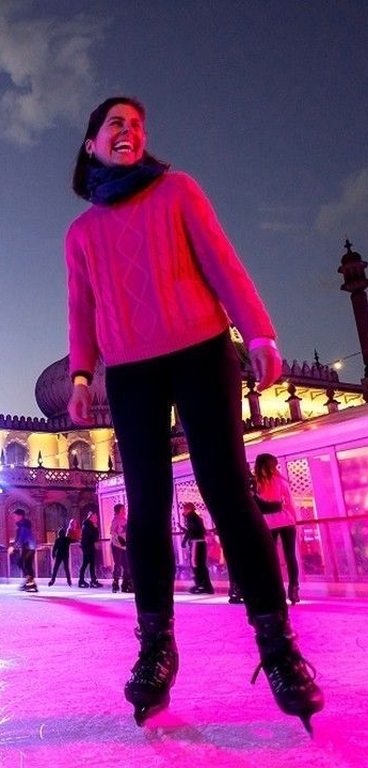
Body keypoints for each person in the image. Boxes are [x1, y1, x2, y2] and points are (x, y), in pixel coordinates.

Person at [65, 96, 322, 730]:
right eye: (115, 125)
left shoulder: (177, 190)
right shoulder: (82, 233)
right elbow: (83, 306)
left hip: (203, 352)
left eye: (137, 125)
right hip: (130, 371)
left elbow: (221, 261)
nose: (129, 132)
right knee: (147, 504)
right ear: (91, 143)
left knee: (229, 493)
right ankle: (156, 646)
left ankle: (279, 645)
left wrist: (258, 334)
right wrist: (78, 374)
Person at [254, 453, 301, 605]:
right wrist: (296, 521)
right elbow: (289, 503)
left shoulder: (255, 483)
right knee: (290, 556)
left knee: (270, 558)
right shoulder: (280, 481)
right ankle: (293, 590)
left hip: (267, 523)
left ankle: (275, 590)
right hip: (286, 520)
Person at [180, 503, 214, 594]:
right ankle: (207, 586)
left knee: (195, 564)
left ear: (188, 509)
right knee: (201, 564)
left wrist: (184, 540)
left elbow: (192, 530)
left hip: (196, 542)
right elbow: (198, 529)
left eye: (184, 509)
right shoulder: (197, 517)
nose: (183, 512)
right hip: (201, 542)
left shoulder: (190, 517)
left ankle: (200, 585)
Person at [10, 510, 37, 592]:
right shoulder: (21, 524)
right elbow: (19, 537)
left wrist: (14, 546)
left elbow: (22, 536)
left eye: (15, 516)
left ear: (20, 516)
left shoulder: (23, 524)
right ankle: (30, 583)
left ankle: (30, 583)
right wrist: (14, 544)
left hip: (29, 546)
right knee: (25, 564)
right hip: (28, 546)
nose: (14, 518)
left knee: (24, 563)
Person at [110, 504, 132, 593]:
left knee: (127, 566)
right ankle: (115, 583)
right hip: (116, 546)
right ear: (118, 511)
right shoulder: (115, 520)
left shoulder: (125, 520)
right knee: (118, 564)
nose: (125, 510)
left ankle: (125, 584)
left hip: (125, 546)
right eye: (123, 509)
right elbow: (112, 531)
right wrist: (119, 539)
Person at [78, 511, 102, 588]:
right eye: (95, 517)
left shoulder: (90, 525)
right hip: (87, 547)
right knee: (86, 564)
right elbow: (93, 537)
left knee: (91, 564)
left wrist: (95, 528)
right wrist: (95, 528)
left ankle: (92, 580)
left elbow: (95, 537)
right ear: (91, 517)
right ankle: (82, 580)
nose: (97, 519)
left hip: (89, 546)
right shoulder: (87, 526)